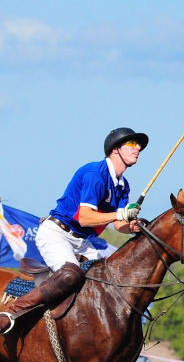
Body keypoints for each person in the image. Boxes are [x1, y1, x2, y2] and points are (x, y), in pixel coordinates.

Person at [0, 127, 147, 334]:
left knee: (110, 278)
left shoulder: (123, 185)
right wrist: (120, 214)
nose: (138, 148)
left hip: (82, 242)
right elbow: (85, 217)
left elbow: (118, 225)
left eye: (138, 145)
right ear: (115, 150)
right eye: (132, 144)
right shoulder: (94, 174)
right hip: (56, 234)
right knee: (70, 275)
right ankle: (11, 314)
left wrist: (133, 225)